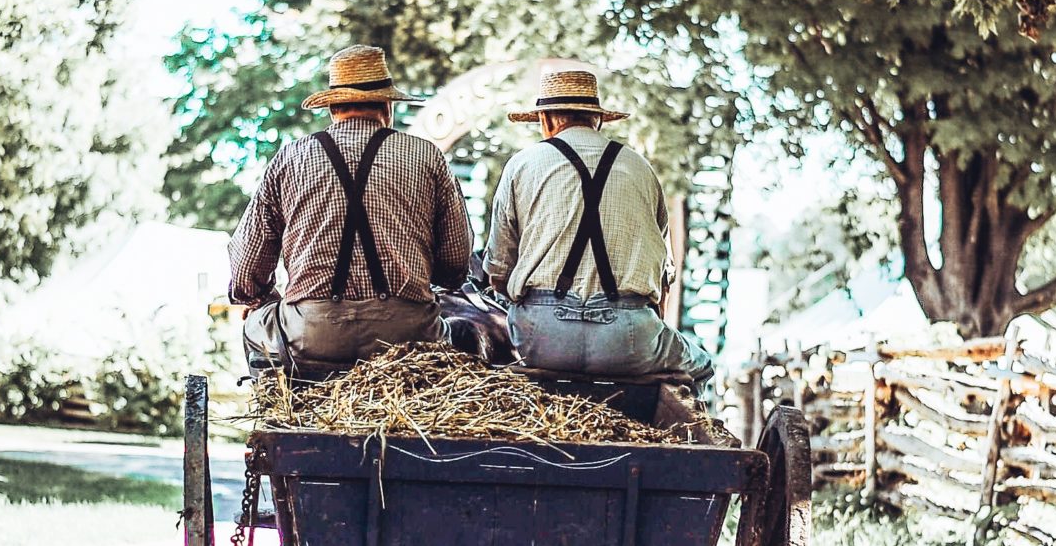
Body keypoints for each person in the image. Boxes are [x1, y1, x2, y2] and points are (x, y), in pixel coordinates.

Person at [229, 45, 475, 373]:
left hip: (312, 334)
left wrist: (263, 298)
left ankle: (279, 409)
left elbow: (245, 271)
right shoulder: (426, 156)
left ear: (333, 108)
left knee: (254, 325)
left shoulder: (290, 158)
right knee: (466, 331)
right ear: (387, 104)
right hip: (408, 338)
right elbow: (455, 264)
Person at [483, 64, 714, 392]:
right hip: (628, 340)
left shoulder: (521, 165)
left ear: (546, 120)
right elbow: (663, 275)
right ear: (599, 119)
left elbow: (498, 271)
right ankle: (690, 436)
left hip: (542, 340)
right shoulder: (640, 168)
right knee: (701, 365)